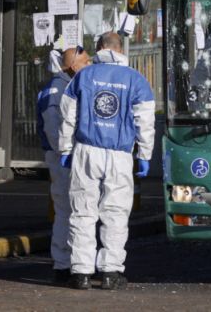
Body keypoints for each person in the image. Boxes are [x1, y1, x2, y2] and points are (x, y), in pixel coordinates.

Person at [58, 32, 155, 290]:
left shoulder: (83, 77)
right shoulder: (136, 80)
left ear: (99, 48)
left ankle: (81, 272)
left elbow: (68, 115)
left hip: (87, 150)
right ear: (120, 48)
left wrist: (65, 149)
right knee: (115, 212)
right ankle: (111, 271)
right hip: (120, 154)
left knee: (83, 211)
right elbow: (145, 122)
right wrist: (144, 155)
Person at [35, 46, 90, 284]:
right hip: (62, 158)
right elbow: (53, 129)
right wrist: (67, 153)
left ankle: (68, 262)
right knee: (67, 211)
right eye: (86, 62)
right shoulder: (56, 90)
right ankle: (63, 264)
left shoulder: (66, 86)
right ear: (73, 66)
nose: (90, 66)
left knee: (71, 211)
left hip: (68, 155)